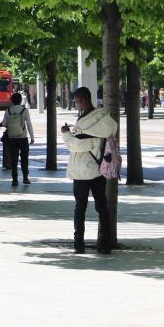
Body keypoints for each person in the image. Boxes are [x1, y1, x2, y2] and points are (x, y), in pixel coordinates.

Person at [60, 86, 117, 254]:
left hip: (82, 171)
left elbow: (77, 145)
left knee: (80, 208)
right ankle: (105, 245)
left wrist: (65, 133)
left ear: (83, 100)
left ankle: (79, 244)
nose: (76, 105)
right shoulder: (101, 118)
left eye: (77, 101)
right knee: (102, 207)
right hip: (98, 169)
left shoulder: (86, 121)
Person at [0, 92, 35, 187]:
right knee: (24, 159)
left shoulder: (8, 110)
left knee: (14, 160)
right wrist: (32, 137)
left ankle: (14, 180)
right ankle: (25, 178)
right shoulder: (24, 110)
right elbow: (29, 125)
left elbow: (4, 124)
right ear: (20, 100)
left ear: (11, 100)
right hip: (23, 138)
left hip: (12, 138)